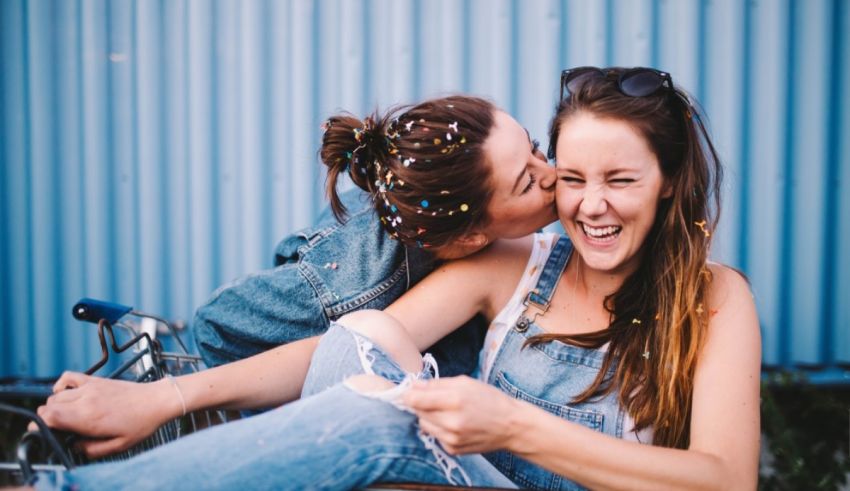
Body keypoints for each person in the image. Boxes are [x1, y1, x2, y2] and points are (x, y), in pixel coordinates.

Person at [27, 67, 760, 490]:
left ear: (669, 183)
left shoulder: (717, 298)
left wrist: (511, 425)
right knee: (367, 337)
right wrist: (161, 399)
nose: (588, 205)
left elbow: (724, 478)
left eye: (621, 179)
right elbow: (334, 355)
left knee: (381, 413)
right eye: (570, 177)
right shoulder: (514, 265)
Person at [191, 94, 557, 380]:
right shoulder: (353, 282)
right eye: (527, 183)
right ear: (471, 236)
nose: (551, 174)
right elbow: (215, 325)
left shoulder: (439, 215)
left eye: (535, 146)